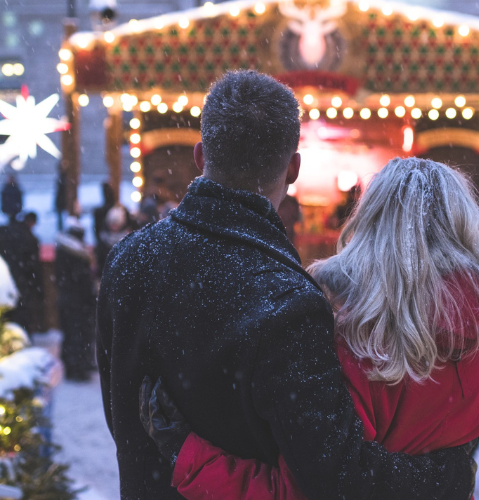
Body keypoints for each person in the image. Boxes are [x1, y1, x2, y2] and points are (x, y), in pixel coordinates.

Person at [96, 70, 476, 499]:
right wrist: (451, 476)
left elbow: (121, 409)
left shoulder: (128, 261)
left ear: (201, 156)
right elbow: (334, 477)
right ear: (293, 168)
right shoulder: (291, 303)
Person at [55, 217, 97, 381]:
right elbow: (80, 279)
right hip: (78, 301)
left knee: (72, 333)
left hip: (69, 300)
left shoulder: (64, 250)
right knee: (78, 333)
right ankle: (77, 367)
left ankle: (74, 366)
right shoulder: (76, 253)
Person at [0, 211, 45, 333]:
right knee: (22, 315)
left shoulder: (4, 232)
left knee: (7, 314)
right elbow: (34, 266)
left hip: (4, 279)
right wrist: (38, 286)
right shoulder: (30, 238)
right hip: (23, 282)